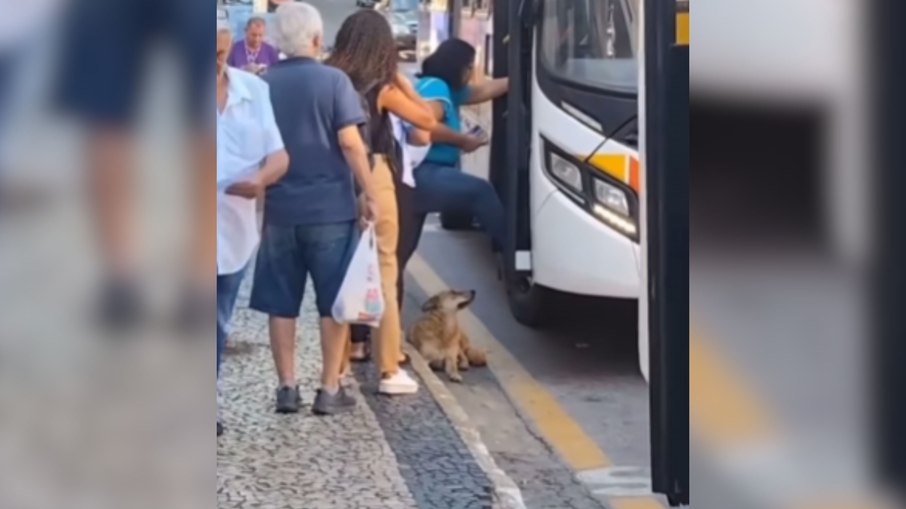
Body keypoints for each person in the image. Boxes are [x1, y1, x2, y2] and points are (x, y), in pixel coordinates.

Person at [248, 2, 379, 416]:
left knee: (280, 302)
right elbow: (350, 142)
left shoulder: (262, 84)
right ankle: (328, 388)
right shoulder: (335, 81)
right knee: (333, 302)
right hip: (330, 211)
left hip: (279, 211)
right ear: (318, 39)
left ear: (276, 41)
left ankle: (287, 387)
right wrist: (370, 191)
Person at [326, 9, 436, 395]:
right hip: (374, 172)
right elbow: (426, 121)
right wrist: (403, 83)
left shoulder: (330, 77)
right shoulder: (383, 87)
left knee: (339, 270)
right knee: (385, 266)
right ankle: (389, 368)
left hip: (333, 176)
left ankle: (337, 368)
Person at [216, 21, 289, 436]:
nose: (215, 63)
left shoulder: (254, 91)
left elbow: (279, 155)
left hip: (234, 229)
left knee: (217, 321)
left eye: (220, 54)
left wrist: (261, 179)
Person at [403, 39, 510, 272]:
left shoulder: (447, 90)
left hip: (418, 174)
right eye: (470, 67)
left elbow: (482, 91)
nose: (472, 74)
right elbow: (425, 126)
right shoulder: (437, 87)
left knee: (401, 251)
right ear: (459, 66)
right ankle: (513, 254)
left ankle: (390, 292)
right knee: (480, 191)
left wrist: (518, 79)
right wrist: (463, 140)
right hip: (423, 173)